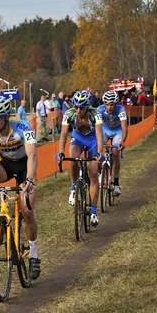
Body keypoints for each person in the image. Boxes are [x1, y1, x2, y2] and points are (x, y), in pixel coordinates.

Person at [0, 96, 41, 279]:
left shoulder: (23, 127)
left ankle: (34, 255)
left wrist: (29, 178)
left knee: (27, 208)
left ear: (7, 117)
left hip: (25, 167)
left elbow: (32, 154)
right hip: (5, 164)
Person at [56, 90, 104, 226]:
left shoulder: (95, 114)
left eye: (81, 108)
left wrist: (99, 153)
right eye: (76, 107)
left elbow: (100, 134)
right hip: (77, 139)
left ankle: (94, 212)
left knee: (93, 173)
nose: (78, 110)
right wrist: (60, 152)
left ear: (87, 106)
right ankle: (73, 188)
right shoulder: (69, 114)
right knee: (72, 158)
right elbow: (64, 134)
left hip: (93, 140)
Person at [97, 91, 128, 196]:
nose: (109, 107)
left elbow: (124, 127)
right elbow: (95, 126)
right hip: (105, 130)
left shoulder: (121, 110)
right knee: (97, 147)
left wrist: (123, 141)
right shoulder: (99, 110)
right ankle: (98, 171)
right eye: (107, 104)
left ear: (116, 104)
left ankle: (116, 184)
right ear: (104, 103)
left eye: (111, 105)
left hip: (117, 131)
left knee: (115, 153)